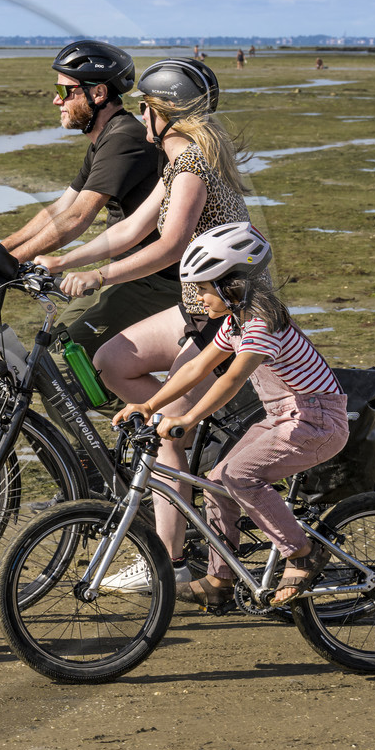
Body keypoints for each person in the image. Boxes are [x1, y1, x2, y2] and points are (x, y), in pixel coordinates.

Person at [38, 57, 250, 582]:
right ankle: (184, 442)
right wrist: (64, 261)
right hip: (194, 307)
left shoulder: (194, 165)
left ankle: (167, 561)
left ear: (162, 112)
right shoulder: (181, 162)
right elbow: (134, 227)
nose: (140, 117)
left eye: (143, 108)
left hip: (224, 316)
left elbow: (171, 244)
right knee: (111, 360)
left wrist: (100, 277)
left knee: (166, 434)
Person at [117, 223, 348, 607]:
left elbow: (234, 379)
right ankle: (219, 581)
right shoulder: (236, 322)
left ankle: (301, 553)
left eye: (205, 288)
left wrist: (188, 421)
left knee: (240, 476)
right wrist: (149, 405)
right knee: (216, 482)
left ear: (231, 285)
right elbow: (197, 369)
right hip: (283, 416)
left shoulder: (261, 322)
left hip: (315, 420)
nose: (200, 297)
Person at [1, 40, 176, 358]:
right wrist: (0, 251)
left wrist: (8, 263)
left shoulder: (123, 139)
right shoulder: (105, 139)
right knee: (54, 348)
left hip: (157, 280)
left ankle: (148, 409)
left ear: (98, 94)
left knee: (64, 361)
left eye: (66, 90)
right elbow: (59, 208)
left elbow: (78, 217)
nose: (57, 100)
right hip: (128, 273)